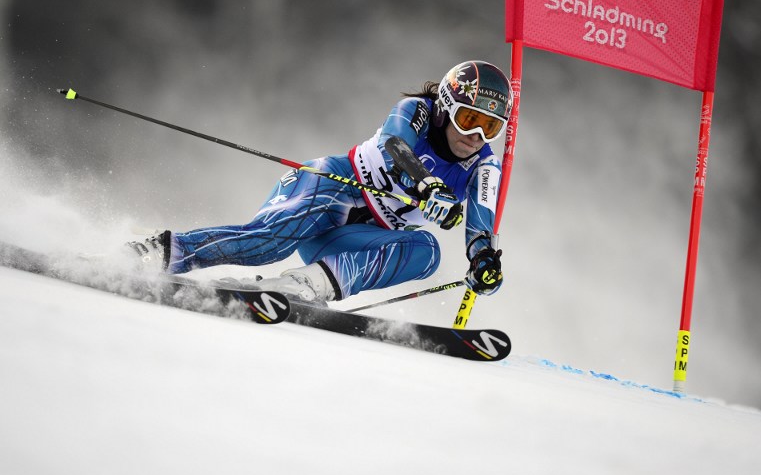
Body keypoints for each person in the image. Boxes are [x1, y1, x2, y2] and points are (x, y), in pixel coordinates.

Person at [127, 60, 509, 304]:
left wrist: (483, 263)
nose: (476, 135)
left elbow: (480, 229)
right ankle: (160, 251)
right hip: (331, 190)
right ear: (444, 107)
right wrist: (427, 187)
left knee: (427, 251)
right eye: (467, 119)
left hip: (350, 242)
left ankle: (305, 285)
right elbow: (396, 147)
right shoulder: (417, 112)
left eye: (490, 126)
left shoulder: (484, 167)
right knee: (266, 244)